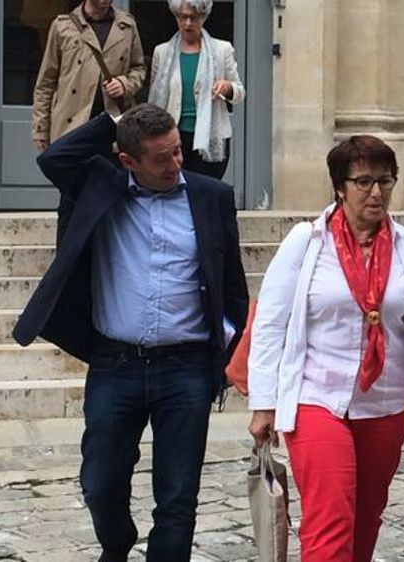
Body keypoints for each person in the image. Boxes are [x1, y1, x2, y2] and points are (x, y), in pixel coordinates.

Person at [13, 103, 249, 562]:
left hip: (187, 368)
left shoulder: (211, 196)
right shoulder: (99, 187)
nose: (175, 165)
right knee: (100, 482)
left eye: (177, 152)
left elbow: (232, 284)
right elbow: (53, 160)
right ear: (128, 161)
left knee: (179, 495)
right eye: (161, 159)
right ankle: (117, 543)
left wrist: (229, 353)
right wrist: (114, 122)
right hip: (115, 364)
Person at [247, 135, 404, 562]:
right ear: (339, 187)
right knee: (329, 527)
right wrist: (264, 403)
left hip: (385, 402)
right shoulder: (306, 243)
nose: (376, 192)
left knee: (365, 523)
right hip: (316, 397)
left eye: (385, 180)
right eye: (363, 181)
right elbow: (270, 324)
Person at [31, 0, 146, 246]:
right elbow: (46, 82)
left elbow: (139, 69)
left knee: (110, 200)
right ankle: (67, 265)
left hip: (112, 128)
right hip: (74, 127)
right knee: (70, 200)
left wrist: (125, 84)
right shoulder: (63, 26)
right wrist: (41, 127)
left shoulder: (127, 25)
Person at [148, 0, 245, 179]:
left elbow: (239, 92)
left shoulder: (222, 49)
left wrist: (227, 88)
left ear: (203, 17)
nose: (188, 23)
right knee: (176, 191)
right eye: (183, 17)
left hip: (211, 135)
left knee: (206, 192)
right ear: (176, 16)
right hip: (173, 136)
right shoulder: (161, 52)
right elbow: (154, 97)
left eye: (194, 17)